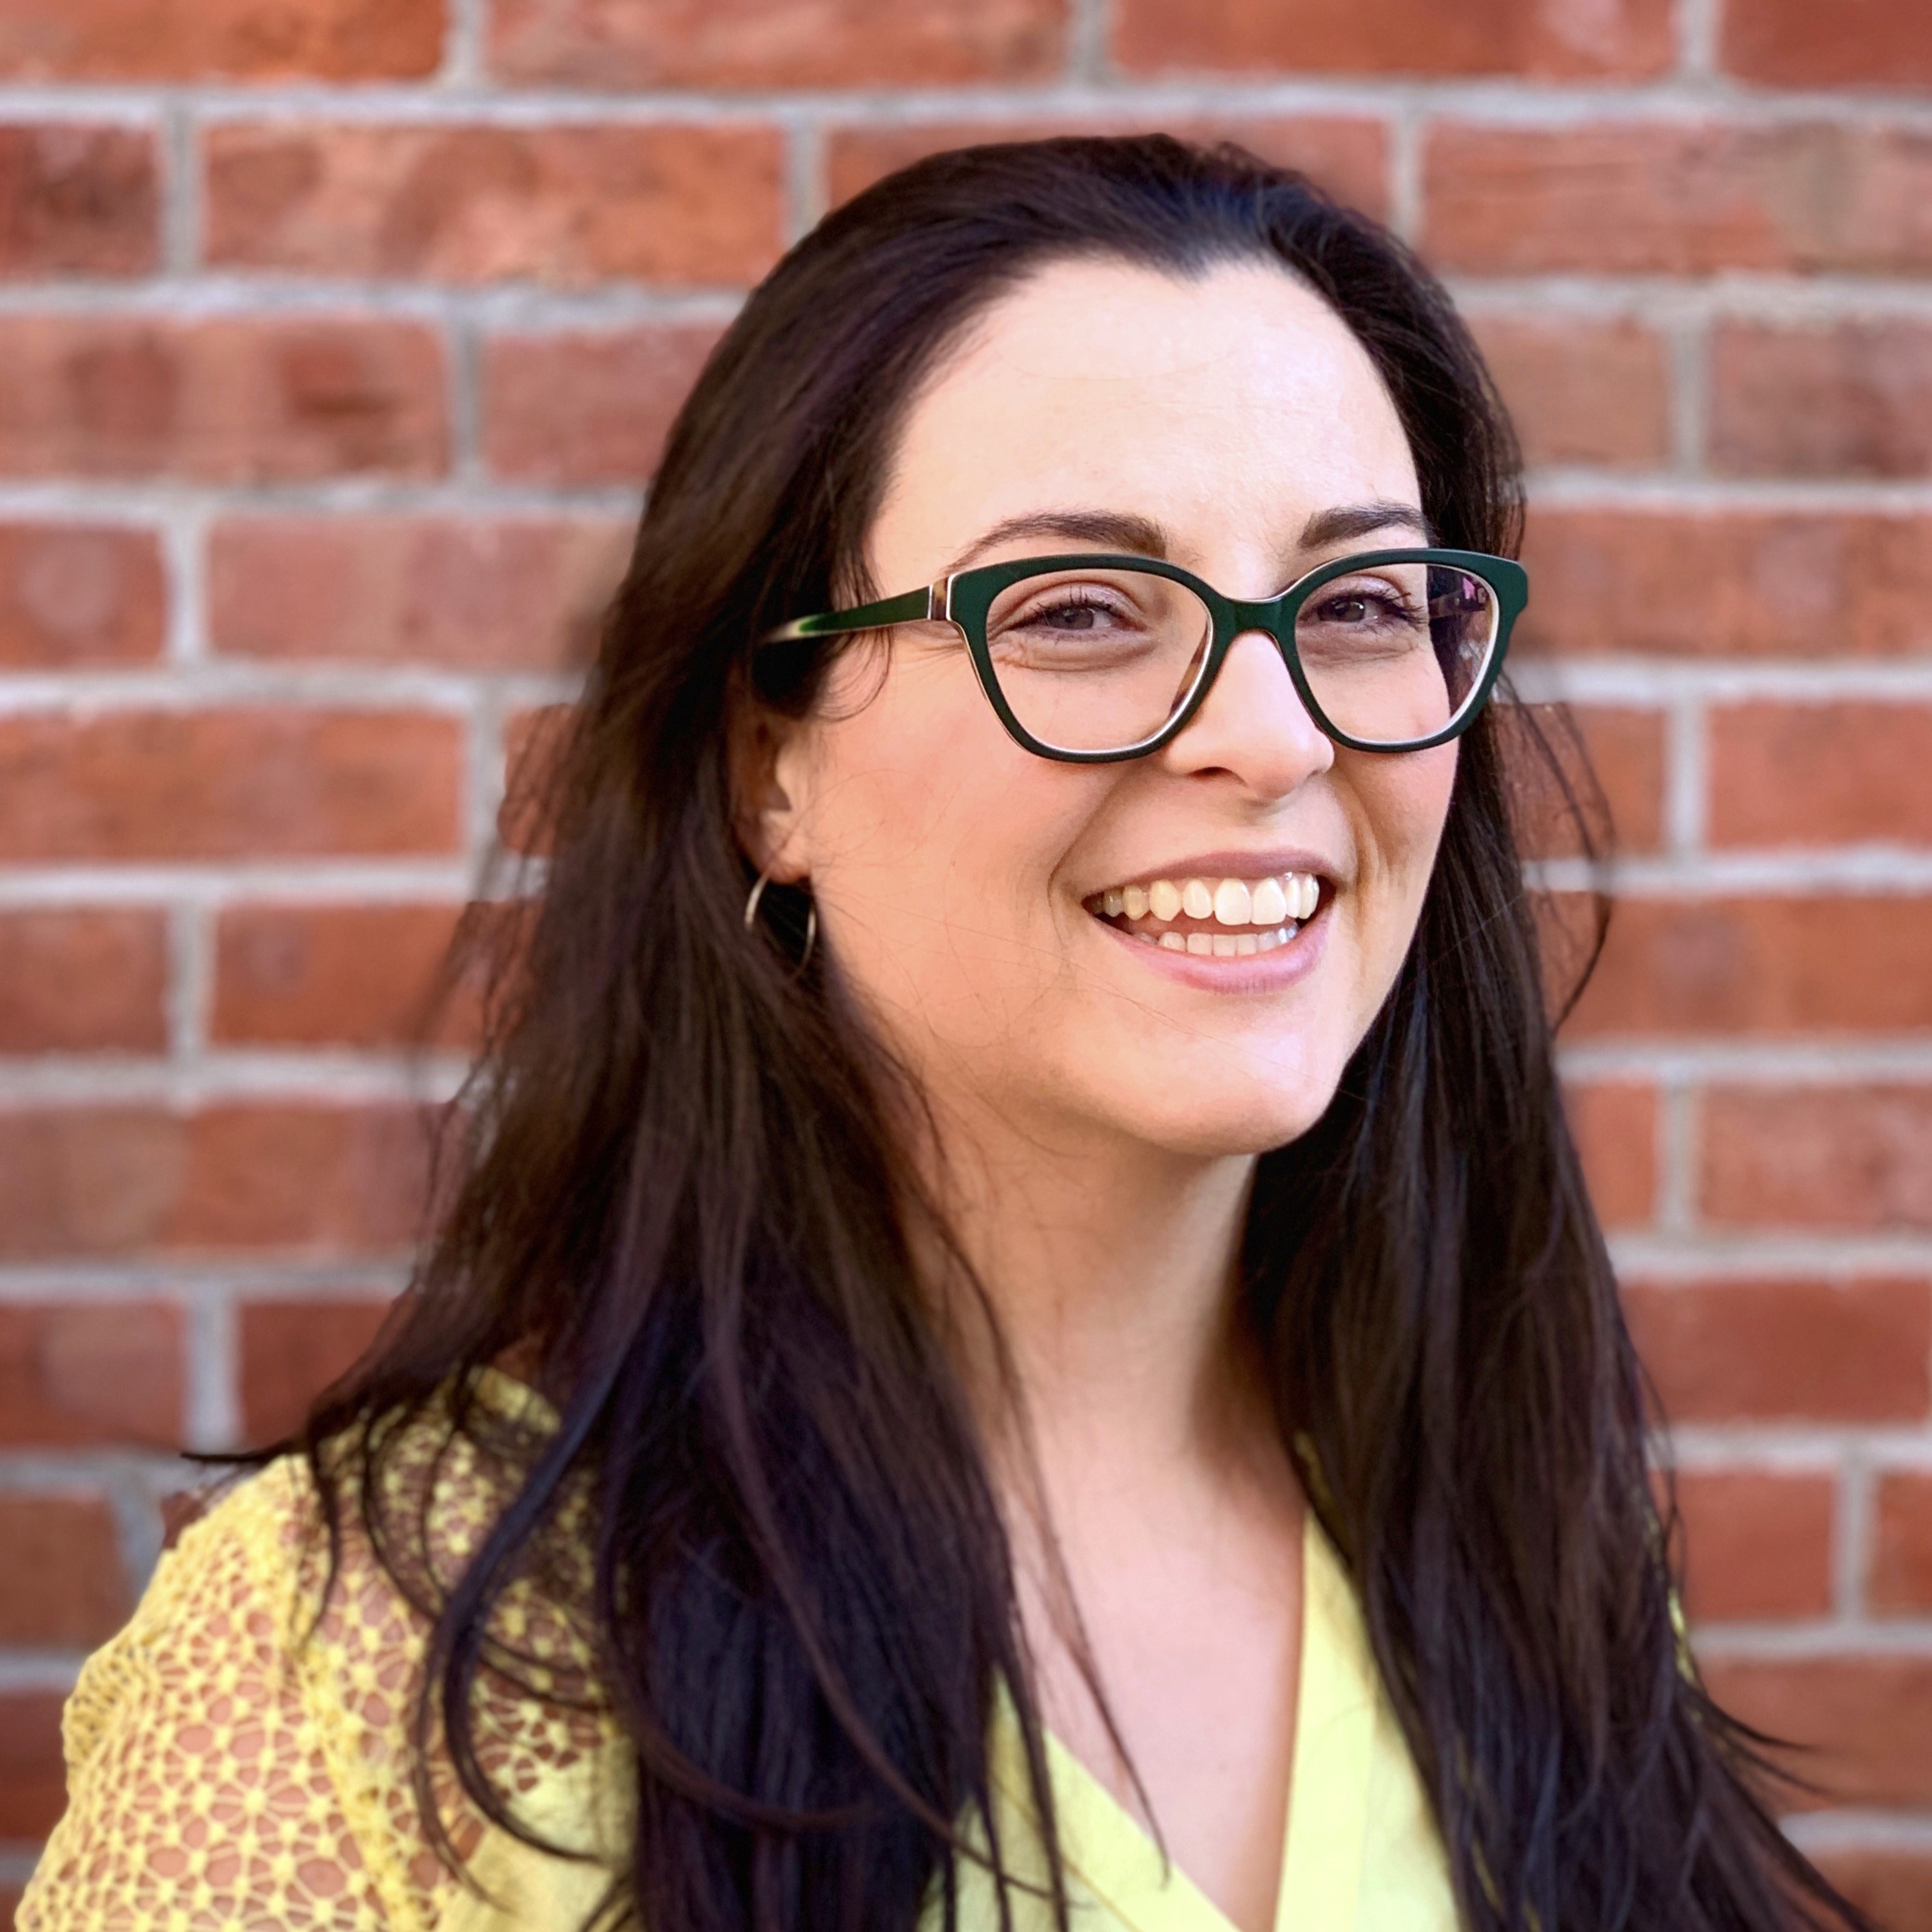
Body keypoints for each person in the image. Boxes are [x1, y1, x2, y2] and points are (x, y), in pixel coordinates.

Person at [18, 135, 1865, 1932]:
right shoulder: (371, 1667)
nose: (1279, 735)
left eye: (1363, 603)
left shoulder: (1528, 1553)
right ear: (770, 766)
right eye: (1073, 608)